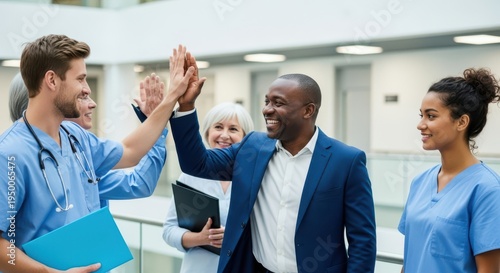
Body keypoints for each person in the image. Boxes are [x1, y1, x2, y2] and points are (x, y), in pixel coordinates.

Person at [0, 34, 195, 273]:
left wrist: (172, 97)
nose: (87, 89)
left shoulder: (74, 135)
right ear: (51, 80)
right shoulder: (9, 154)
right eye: (80, 79)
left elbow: (131, 151)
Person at [170, 60, 377, 272]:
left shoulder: (346, 161)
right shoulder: (252, 147)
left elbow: (362, 241)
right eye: (267, 101)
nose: (267, 110)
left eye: (278, 103)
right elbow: (197, 164)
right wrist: (186, 106)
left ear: (308, 110)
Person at [7, 72, 166, 207]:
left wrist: (155, 123)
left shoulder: (81, 156)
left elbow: (138, 183)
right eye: (81, 97)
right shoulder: (14, 156)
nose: (92, 104)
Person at [398, 68, 500, 273]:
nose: (421, 125)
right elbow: (411, 258)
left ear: (462, 122)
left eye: (431, 116)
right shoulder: (420, 182)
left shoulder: (488, 190)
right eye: (421, 115)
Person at [163, 102, 254, 273]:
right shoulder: (190, 175)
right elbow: (169, 230)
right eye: (218, 127)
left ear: (245, 138)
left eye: (233, 129)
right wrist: (201, 238)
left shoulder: (254, 177)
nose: (224, 135)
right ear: (207, 132)